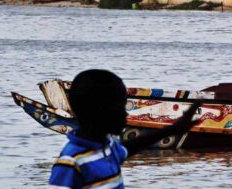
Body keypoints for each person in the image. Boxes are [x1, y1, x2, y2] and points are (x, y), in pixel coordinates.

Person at [48, 70, 200, 189]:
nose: (126, 114)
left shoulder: (107, 146)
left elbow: (131, 147)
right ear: (101, 111)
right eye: (120, 107)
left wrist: (172, 130)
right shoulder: (70, 163)